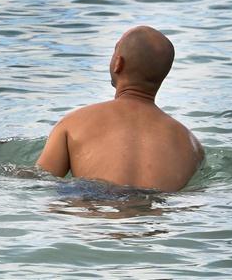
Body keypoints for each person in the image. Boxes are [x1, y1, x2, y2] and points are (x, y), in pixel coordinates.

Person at [36, 26, 204, 192]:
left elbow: (40, 181)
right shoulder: (192, 146)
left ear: (118, 63)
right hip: (155, 207)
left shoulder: (72, 124)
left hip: (95, 205)